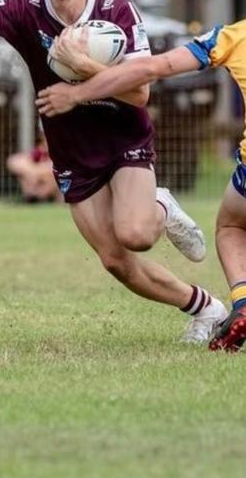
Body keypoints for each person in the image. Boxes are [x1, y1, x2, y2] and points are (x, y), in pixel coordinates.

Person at [0, 0, 226, 348]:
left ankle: (160, 205)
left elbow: (140, 93)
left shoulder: (117, 10)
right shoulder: (25, 8)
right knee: (115, 261)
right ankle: (206, 309)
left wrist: (80, 82)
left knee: (136, 235)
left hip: (123, 138)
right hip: (72, 150)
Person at [36, 20, 246, 351]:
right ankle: (211, 305)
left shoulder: (234, 35)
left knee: (232, 226)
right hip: (83, 163)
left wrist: (80, 77)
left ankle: (242, 301)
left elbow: (154, 67)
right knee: (118, 255)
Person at [6, 128, 60, 203]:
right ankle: (32, 196)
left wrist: (38, 170)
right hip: (37, 179)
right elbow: (14, 161)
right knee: (27, 171)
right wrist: (33, 171)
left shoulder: (60, 151)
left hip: (52, 181)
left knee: (51, 175)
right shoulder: (40, 151)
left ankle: (37, 196)